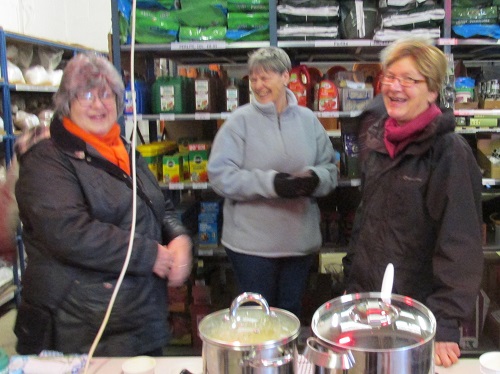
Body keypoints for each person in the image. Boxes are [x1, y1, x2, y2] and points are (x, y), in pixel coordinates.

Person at [13, 53, 192, 356]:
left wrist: (178, 237)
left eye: (106, 94)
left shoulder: (120, 146)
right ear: (67, 103)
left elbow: (154, 204)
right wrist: (149, 254)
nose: (99, 104)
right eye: (86, 94)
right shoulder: (47, 158)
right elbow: (68, 232)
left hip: (137, 320)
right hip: (82, 328)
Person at [342, 37, 484, 368]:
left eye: (410, 79)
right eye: (390, 76)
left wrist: (446, 324)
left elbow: (460, 245)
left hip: (416, 314)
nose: (395, 87)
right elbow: (366, 220)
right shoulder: (381, 142)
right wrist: (352, 285)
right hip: (369, 305)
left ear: (432, 90)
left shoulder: (449, 153)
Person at [207, 47, 338, 319]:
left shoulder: (308, 120)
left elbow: (330, 169)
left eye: (265, 78)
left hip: (299, 243)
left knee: (290, 315)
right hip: (252, 248)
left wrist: (315, 179)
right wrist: (272, 184)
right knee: (256, 320)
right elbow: (220, 175)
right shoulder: (238, 122)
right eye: (253, 79)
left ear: (285, 77)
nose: (258, 85)